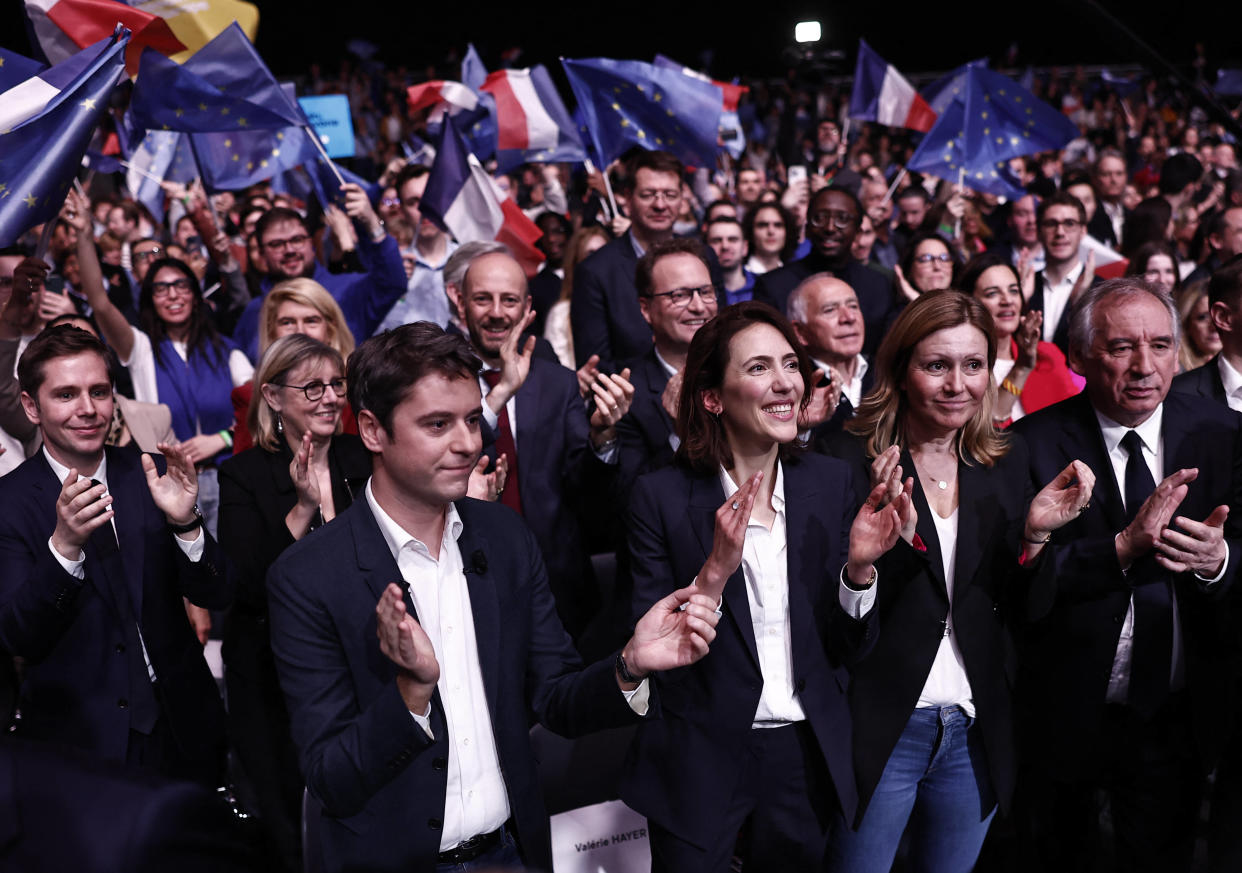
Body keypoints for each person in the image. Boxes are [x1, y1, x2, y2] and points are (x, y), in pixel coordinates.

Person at [265, 322, 722, 873]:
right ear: (370, 430)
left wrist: (628, 665)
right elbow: (332, 779)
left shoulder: (504, 538)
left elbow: (554, 698)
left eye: (471, 418)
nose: (468, 442)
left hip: (513, 853)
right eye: (437, 424)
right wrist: (411, 694)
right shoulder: (308, 576)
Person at [621, 300, 910, 873]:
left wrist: (859, 572)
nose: (784, 384)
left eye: (789, 365)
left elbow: (852, 649)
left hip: (804, 758)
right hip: (699, 758)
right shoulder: (658, 496)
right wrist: (715, 569)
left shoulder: (832, 482)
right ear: (711, 396)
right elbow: (653, 650)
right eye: (757, 368)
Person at [821, 292, 1092, 873]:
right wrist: (867, 564)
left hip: (974, 728)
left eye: (973, 365)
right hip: (880, 727)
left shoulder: (1005, 460)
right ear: (900, 368)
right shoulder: (844, 459)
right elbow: (833, 628)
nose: (957, 385)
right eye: (936, 365)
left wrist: (1036, 538)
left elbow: (1029, 614)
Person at [1011, 278, 1242, 873]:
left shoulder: (1225, 434)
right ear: (1082, 355)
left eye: (1161, 346)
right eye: (1121, 348)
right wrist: (1118, 549)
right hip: (1063, 715)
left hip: (1176, 714)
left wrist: (1219, 563)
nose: (1144, 366)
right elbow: (1014, 585)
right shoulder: (1028, 446)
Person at [0, 325, 230, 785]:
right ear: (31, 406)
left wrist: (186, 524)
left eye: (99, 392)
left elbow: (218, 590)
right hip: (81, 742)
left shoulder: (152, 473)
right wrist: (64, 549)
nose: (87, 409)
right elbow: (18, 636)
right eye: (66, 395)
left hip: (183, 725)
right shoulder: (9, 502)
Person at [218, 335, 369, 873]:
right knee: (293, 835)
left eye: (336, 385)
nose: (330, 398)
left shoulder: (366, 458)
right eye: (312, 387)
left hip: (365, 673)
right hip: (275, 687)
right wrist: (303, 508)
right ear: (273, 396)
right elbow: (246, 588)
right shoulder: (244, 475)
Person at [456, 249, 633, 641]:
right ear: (459, 300)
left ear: (528, 307)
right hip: (462, 577)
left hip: (556, 587)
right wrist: (497, 396)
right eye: (483, 298)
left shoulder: (558, 383)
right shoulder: (438, 379)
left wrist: (601, 436)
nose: (497, 312)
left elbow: (586, 490)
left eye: (510, 300)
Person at [571, 150, 722, 372]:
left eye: (670, 195)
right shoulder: (596, 271)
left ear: (682, 199)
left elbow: (721, 336)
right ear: (627, 199)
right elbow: (596, 366)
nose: (660, 205)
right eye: (648, 194)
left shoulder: (704, 257)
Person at [234, 197, 406, 361]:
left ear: (311, 244)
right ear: (262, 254)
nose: (289, 250)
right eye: (277, 244)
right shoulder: (254, 312)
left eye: (297, 239)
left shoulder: (349, 289)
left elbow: (393, 282)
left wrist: (372, 224)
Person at [754, 187, 900, 357]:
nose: (830, 227)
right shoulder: (773, 286)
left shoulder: (879, 284)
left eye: (842, 219)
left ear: (858, 229)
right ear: (807, 226)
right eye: (819, 218)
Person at [230, 278, 357, 453]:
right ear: (272, 332)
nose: (300, 331)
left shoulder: (358, 390)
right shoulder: (250, 396)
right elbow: (243, 472)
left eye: (311, 321)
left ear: (331, 330)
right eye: (287, 322)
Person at [959, 254, 1079, 425]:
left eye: (1014, 290)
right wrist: (1022, 367)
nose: (1007, 300)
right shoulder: (961, 366)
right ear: (970, 303)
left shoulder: (1046, 354)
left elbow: (1075, 420)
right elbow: (984, 431)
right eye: (992, 293)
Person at [374, 164, 459, 334]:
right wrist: (393, 286)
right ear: (402, 211)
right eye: (413, 202)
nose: (424, 208)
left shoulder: (468, 261)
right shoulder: (394, 269)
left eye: (430, 197)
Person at [787, 274, 872, 439]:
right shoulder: (793, 387)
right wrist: (801, 430)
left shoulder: (888, 372)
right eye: (830, 310)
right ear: (800, 332)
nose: (849, 318)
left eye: (853, 306)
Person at [1029, 192, 1094, 354]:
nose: (1060, 232)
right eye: (1051, 224)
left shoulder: (1099, 289)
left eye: (1069, 223)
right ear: (1038, 231)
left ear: (1083, 231)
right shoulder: (1025, 288)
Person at [544, 226, 609, 370]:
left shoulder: (627, 306)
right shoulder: (561, 313)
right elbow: (558, 371)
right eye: (591, 254)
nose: (600, 261)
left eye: (605, 253)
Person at [705, 216, 755, 304]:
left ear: (745, 247)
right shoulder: (700, 292)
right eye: (716, 241)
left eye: (732, 240)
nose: (725, 246)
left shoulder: (763, 286)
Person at [894, 231, 956, 302]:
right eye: (926, 259)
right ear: (910, 268)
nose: (937, 266)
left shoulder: (965, 309)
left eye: (944, 258)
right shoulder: (897, 311)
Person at [1176, 280, 1220, 372]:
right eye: (1203, 317)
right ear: (1186, 325)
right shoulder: (1176, 370)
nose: (1214, 327)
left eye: (1220, 315)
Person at [743, 203, 795, 275]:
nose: (771, 231)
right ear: (750, 232)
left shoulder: (794, 275)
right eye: (763, 225)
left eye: (778, 225)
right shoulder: (739, 275)